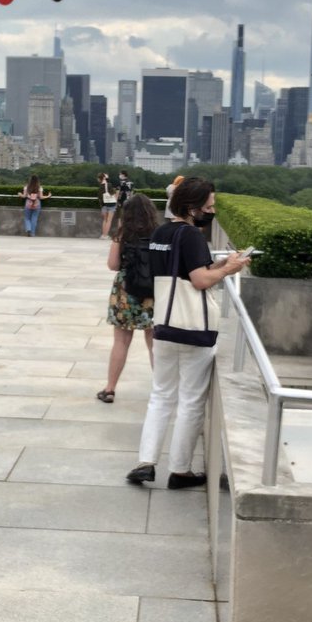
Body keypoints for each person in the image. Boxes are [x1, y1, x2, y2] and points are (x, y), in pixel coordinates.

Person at [127, 178, 249, 489]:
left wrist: (218, 264)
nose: (212, 211)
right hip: (193, 329)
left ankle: (145, 462)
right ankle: (180, 470)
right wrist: (230, 269)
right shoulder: (192, 235)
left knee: (161, 395)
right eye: (209, 206)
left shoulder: (161, 233)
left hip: (164, 325)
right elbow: (199, 280)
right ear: (192, 208)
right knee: (191, 400)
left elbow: (181, 271)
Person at [98, 194, 160, 404]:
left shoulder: (122, 234)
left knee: (121, 341)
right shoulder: (158, 234)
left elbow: (113, 265)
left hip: (126, 291)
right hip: (152, 292)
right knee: (154, 342)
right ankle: (161, 389)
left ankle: (110, 389)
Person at [97, 172, 117, 239]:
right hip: (111, 204)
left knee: (104, 220)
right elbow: (113, 193)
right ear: (104, 177)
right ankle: (106, 235)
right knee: (109, 220)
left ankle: (103, 235)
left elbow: (99, 197)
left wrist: (102, 206)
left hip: (104, 205)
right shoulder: (109, 185)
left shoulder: (100, 186)